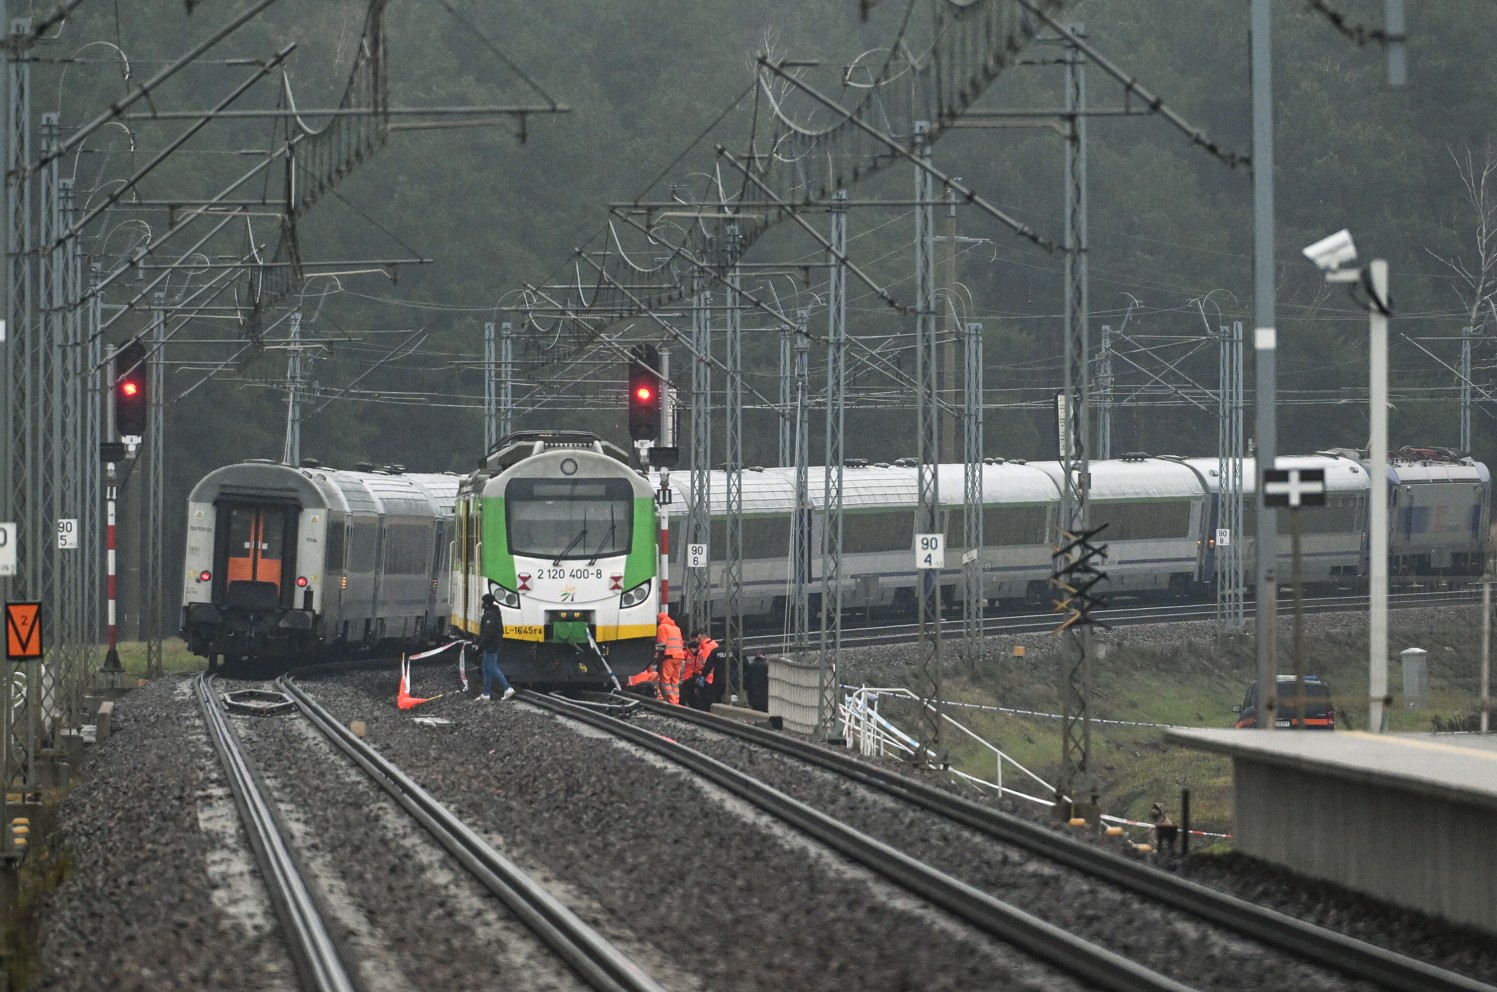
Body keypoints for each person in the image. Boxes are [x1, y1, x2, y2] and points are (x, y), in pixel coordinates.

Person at [476, 593, 515, 701]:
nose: (482, 604)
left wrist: (481, 646)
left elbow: (488, 633)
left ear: (486, 603)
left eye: (483, 602)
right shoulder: (495, 613)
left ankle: (507, 688)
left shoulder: (489, 615)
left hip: (491, 646)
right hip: (492, 645)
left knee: (492, 667)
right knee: (486, 667)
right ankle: (486, 693)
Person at [652, 610, 686, 706]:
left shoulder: (662, 627)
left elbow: (662, 644)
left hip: (669, 657)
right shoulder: (676, 628)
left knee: (665, 681)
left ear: (659, 620)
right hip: (679, 657)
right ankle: (676, 701)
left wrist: (659, 657)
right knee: (675, 681)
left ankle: (672, 701)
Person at [682, 630, 719, 711]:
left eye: (698, 638)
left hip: (706, 677)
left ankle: (694, 708)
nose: (697, 640)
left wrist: (701, 675)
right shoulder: (711, 645)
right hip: (709, 677)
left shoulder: (706, 647)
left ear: (703, 636)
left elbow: (706, 664)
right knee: (705, 698)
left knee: (686, 687)